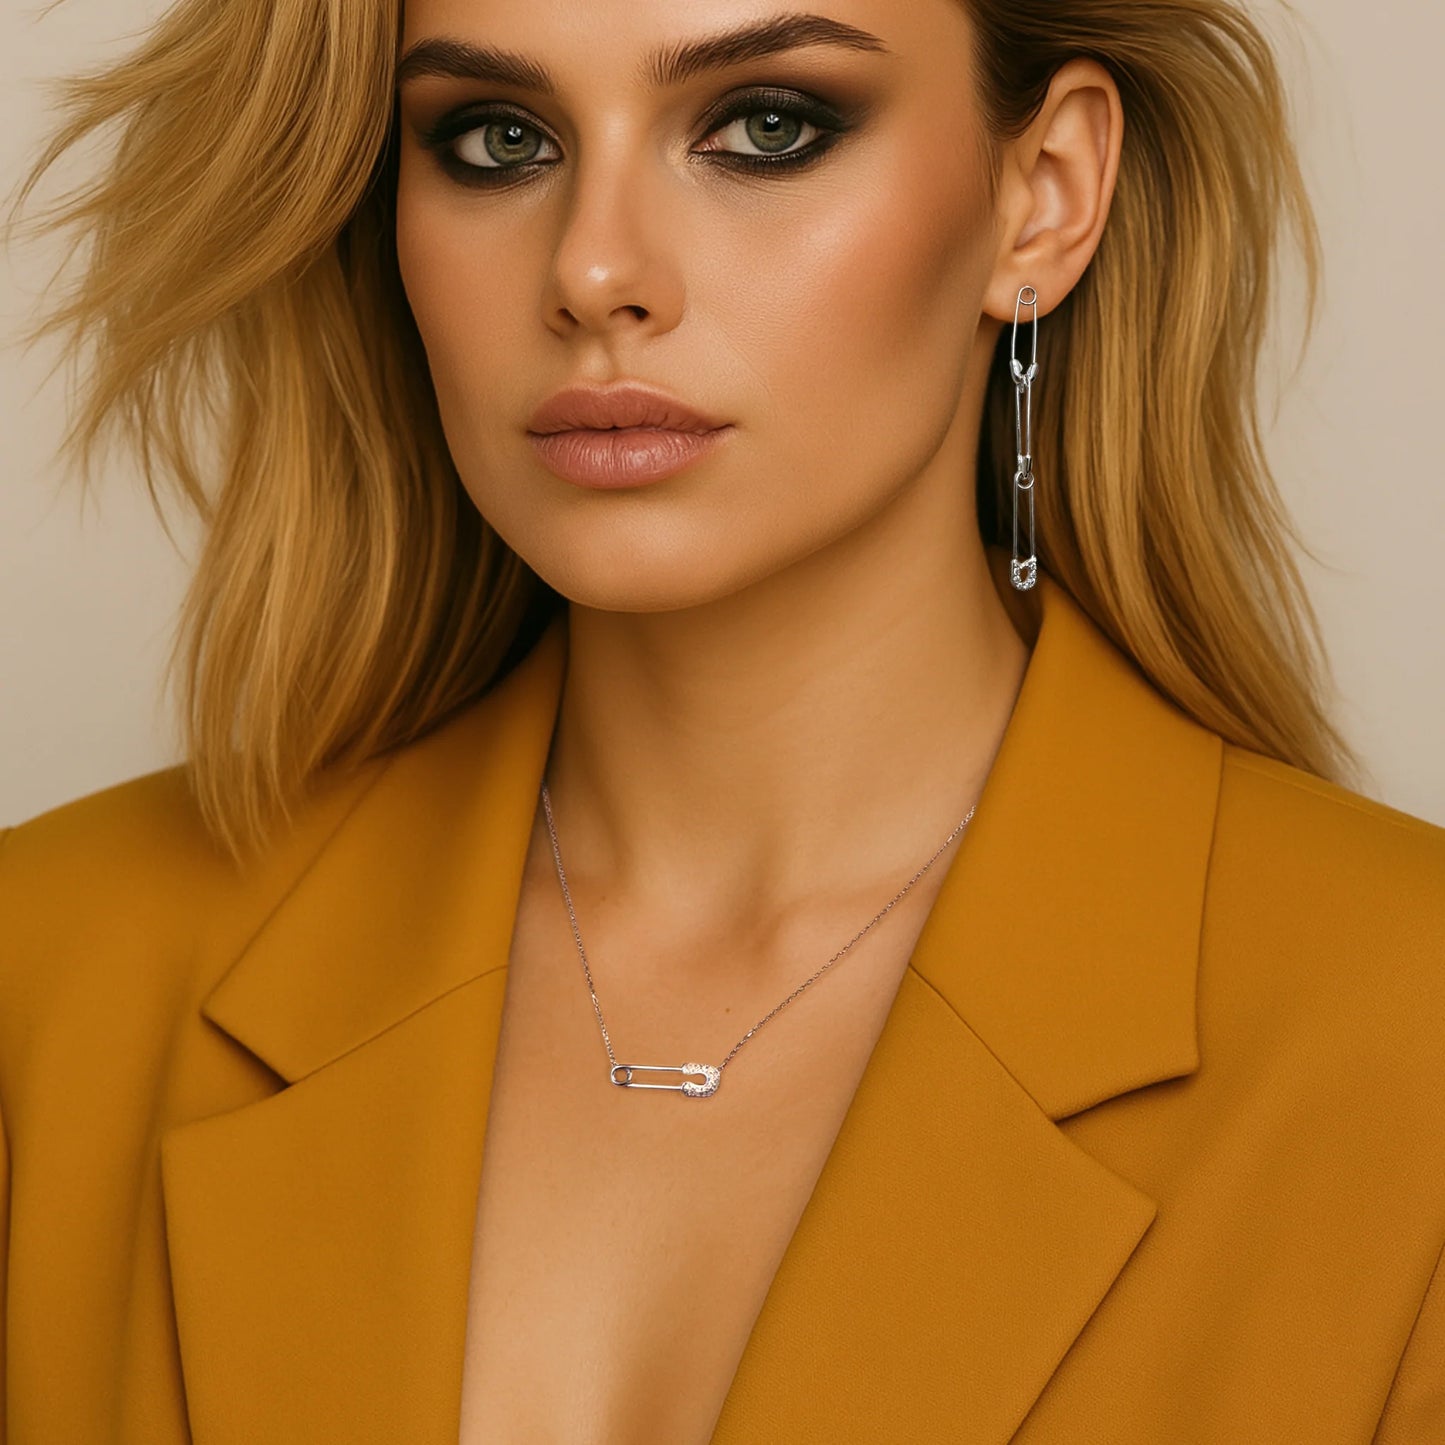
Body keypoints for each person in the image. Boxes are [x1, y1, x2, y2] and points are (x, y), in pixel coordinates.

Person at [2, 0, 1442, 1440]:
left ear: (1042, 195)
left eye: (767, 126)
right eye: (497, 140)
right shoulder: (50, 982)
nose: (594, 271)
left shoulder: (1402, 1049)